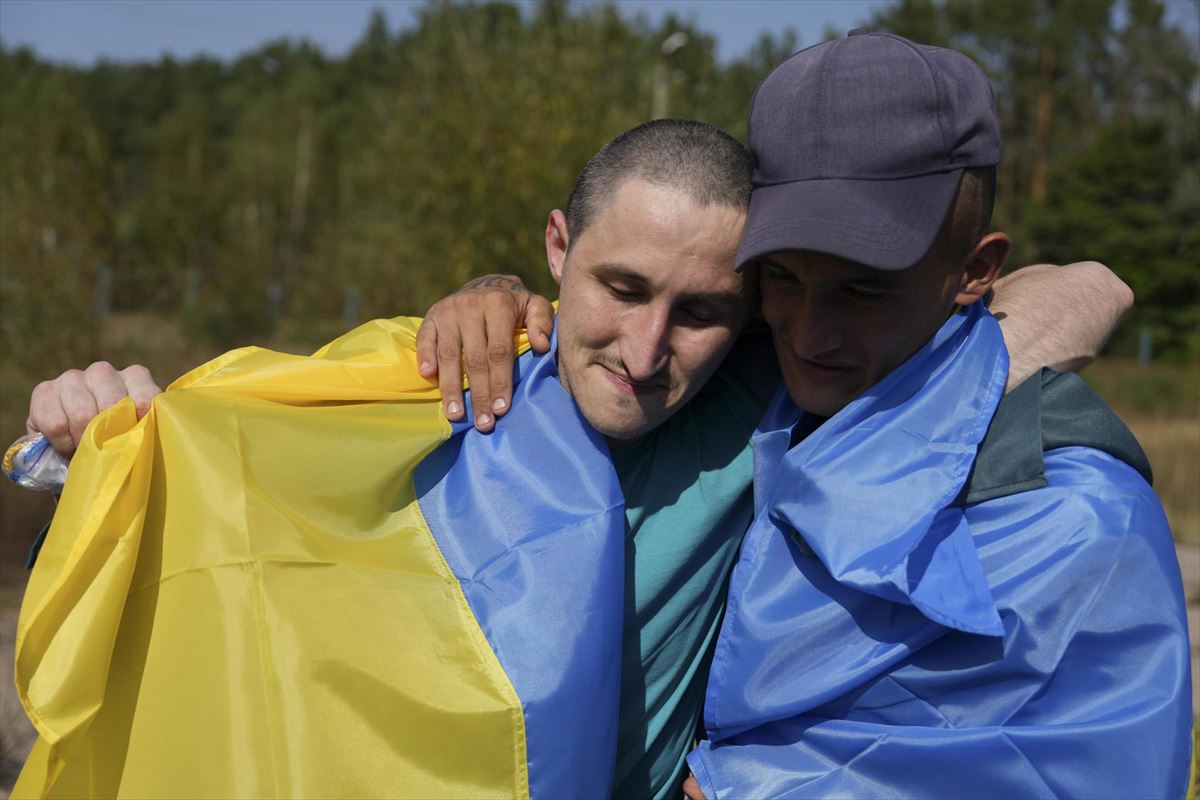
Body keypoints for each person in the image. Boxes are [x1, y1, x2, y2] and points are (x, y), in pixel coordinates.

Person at [21, 121, 1134, 799]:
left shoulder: (774, 390)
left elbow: (1082, 289)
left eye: (701, 309)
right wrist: (96, 434)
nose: (646, 352)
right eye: (621, 288)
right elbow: (236, 458)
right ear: (558, 249)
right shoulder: (453, 374)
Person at [672, 31, 1191, 799]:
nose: (810, 334)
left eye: (864, 290)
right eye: (780, 277)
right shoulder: (724, 367)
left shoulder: (1084, 516)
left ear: (976, 270)